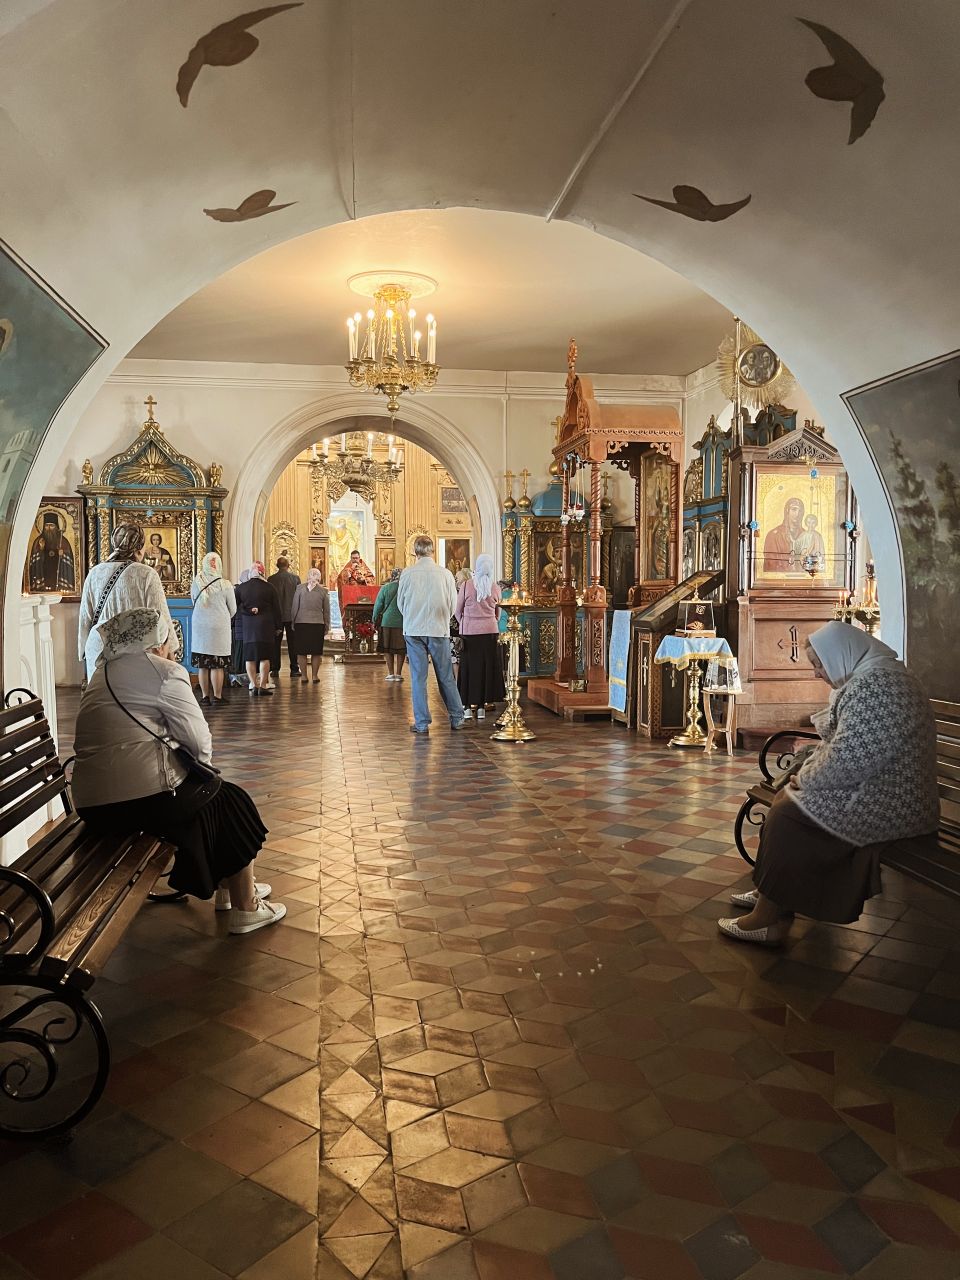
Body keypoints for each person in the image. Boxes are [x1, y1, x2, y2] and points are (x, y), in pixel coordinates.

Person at [718, 622, 939, 946]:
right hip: (877, 787)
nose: (817, 673)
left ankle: (766, 919)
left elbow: (851, 757)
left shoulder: (879, 685)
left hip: (894, 803)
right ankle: (772, 893)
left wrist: (806, 778)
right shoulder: (871, 678)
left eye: (819, 665)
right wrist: (804, 777)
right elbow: (849, 751)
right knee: (784, 800)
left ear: (840, 655)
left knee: (788, 816)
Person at [71, 608, 283, 935]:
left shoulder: (102, 672)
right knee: (229, 800)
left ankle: (231, 887)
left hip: (91, 804)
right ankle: (247, 906)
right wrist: (208, 778)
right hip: (138, 800)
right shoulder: (164, 672)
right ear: (156, 641)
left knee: (214, 799)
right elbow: (198, 741)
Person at [78, 523, 175, 680]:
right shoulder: (146, 573)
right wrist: (170, 656)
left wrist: (84, 650)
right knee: (131, 693)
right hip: (134, 649)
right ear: (139, 547)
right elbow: (161, 618)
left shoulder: (94, 573)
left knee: (101, 692)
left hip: (98, 647)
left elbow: (85, 618)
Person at [396, 535, 465, 735]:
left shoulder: (407, 574)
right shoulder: (445, 574)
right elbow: (452, 604)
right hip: (438, 629)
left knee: (418, 678)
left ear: (415, 552)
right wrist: (442, 620)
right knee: (446, 676)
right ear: (432, 551)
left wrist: (412, 618)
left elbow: (401, 603)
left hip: (414, 630)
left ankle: (421, 722)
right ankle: (457, 717)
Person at [455, 553, 504, 720]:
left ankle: (467, 707)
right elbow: (498, 613)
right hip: (490, 632)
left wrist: (466, 622)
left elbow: (457, 610)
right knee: (485, 669)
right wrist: (488, 622)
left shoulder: (467, 585)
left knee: (469, 669)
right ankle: (482, 707)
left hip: (470, 633)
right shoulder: (495, 588)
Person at [190, 552, 237, 707]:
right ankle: (217, 696)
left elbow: (193, 601)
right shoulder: (225, 584)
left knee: (203, 664)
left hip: (200, 627)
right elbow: (233, 609)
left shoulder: (197, 582)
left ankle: (205, 697)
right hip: (219, 628)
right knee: (218, 664)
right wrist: (220, 616)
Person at [234, 562, 281, 697]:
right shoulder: (270, 587)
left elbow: (235, 607)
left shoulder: (241, 588)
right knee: (265, 657)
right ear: (262, 572)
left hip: (248, 627)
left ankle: (253, 684)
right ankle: (263, 685)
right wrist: (278, 626)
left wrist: (248, 611)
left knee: (250, 657)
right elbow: (276, 609)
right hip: (265, 626)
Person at [290, 568, 331, 683]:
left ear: (308, 576)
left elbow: (295, 607)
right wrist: (327, 625)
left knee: (301, 652)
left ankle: (304, 676)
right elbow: (326, 611)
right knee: (316, 652)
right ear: (319, 577)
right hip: (317, 624)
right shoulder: (323, 591)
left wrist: (293, 621)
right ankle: (314, 676)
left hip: (301, 623)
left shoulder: (299, 588)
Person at [268, 556, 301, 678]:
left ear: (277, 566)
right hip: (292, 615)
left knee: (275, 643)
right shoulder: (295, 578)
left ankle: (275, 669)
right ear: (288, 565)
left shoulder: (271, 579)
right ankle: (294, 669)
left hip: (276, 616)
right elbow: (299, 597)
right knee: (293, 643)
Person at [29, 508, 75, 592]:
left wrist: (63, 554)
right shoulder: (39, 541)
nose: (49, 528)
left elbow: (68, 560)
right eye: (46, 525)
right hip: (44, 571)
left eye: (51, 525)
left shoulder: (62, 540)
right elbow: (35, 562)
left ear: (56, 527)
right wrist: (41, 549)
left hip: (57, 572)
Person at [373, 567, 405, 682]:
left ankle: (391, 673)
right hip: (402, 622)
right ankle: (399, 673)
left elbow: (378, 605)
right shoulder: (405, 588)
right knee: (401, 649)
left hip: (386, 621)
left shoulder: (385, 588)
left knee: (387, 648)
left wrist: (374, 619)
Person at [762, 496, 804, 572]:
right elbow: (770, 564)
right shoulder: (773, 535)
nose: (797, 514)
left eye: (800, 511)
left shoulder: (806, 535)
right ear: (787, 511)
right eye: (794, 509)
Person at [229, 567, 250, 686]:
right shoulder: (249, 591)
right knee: (242, 651)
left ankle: (238, 675)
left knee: (238, 651)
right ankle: (242, 675)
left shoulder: (238, 590)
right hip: (243, 625)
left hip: (237, 625)